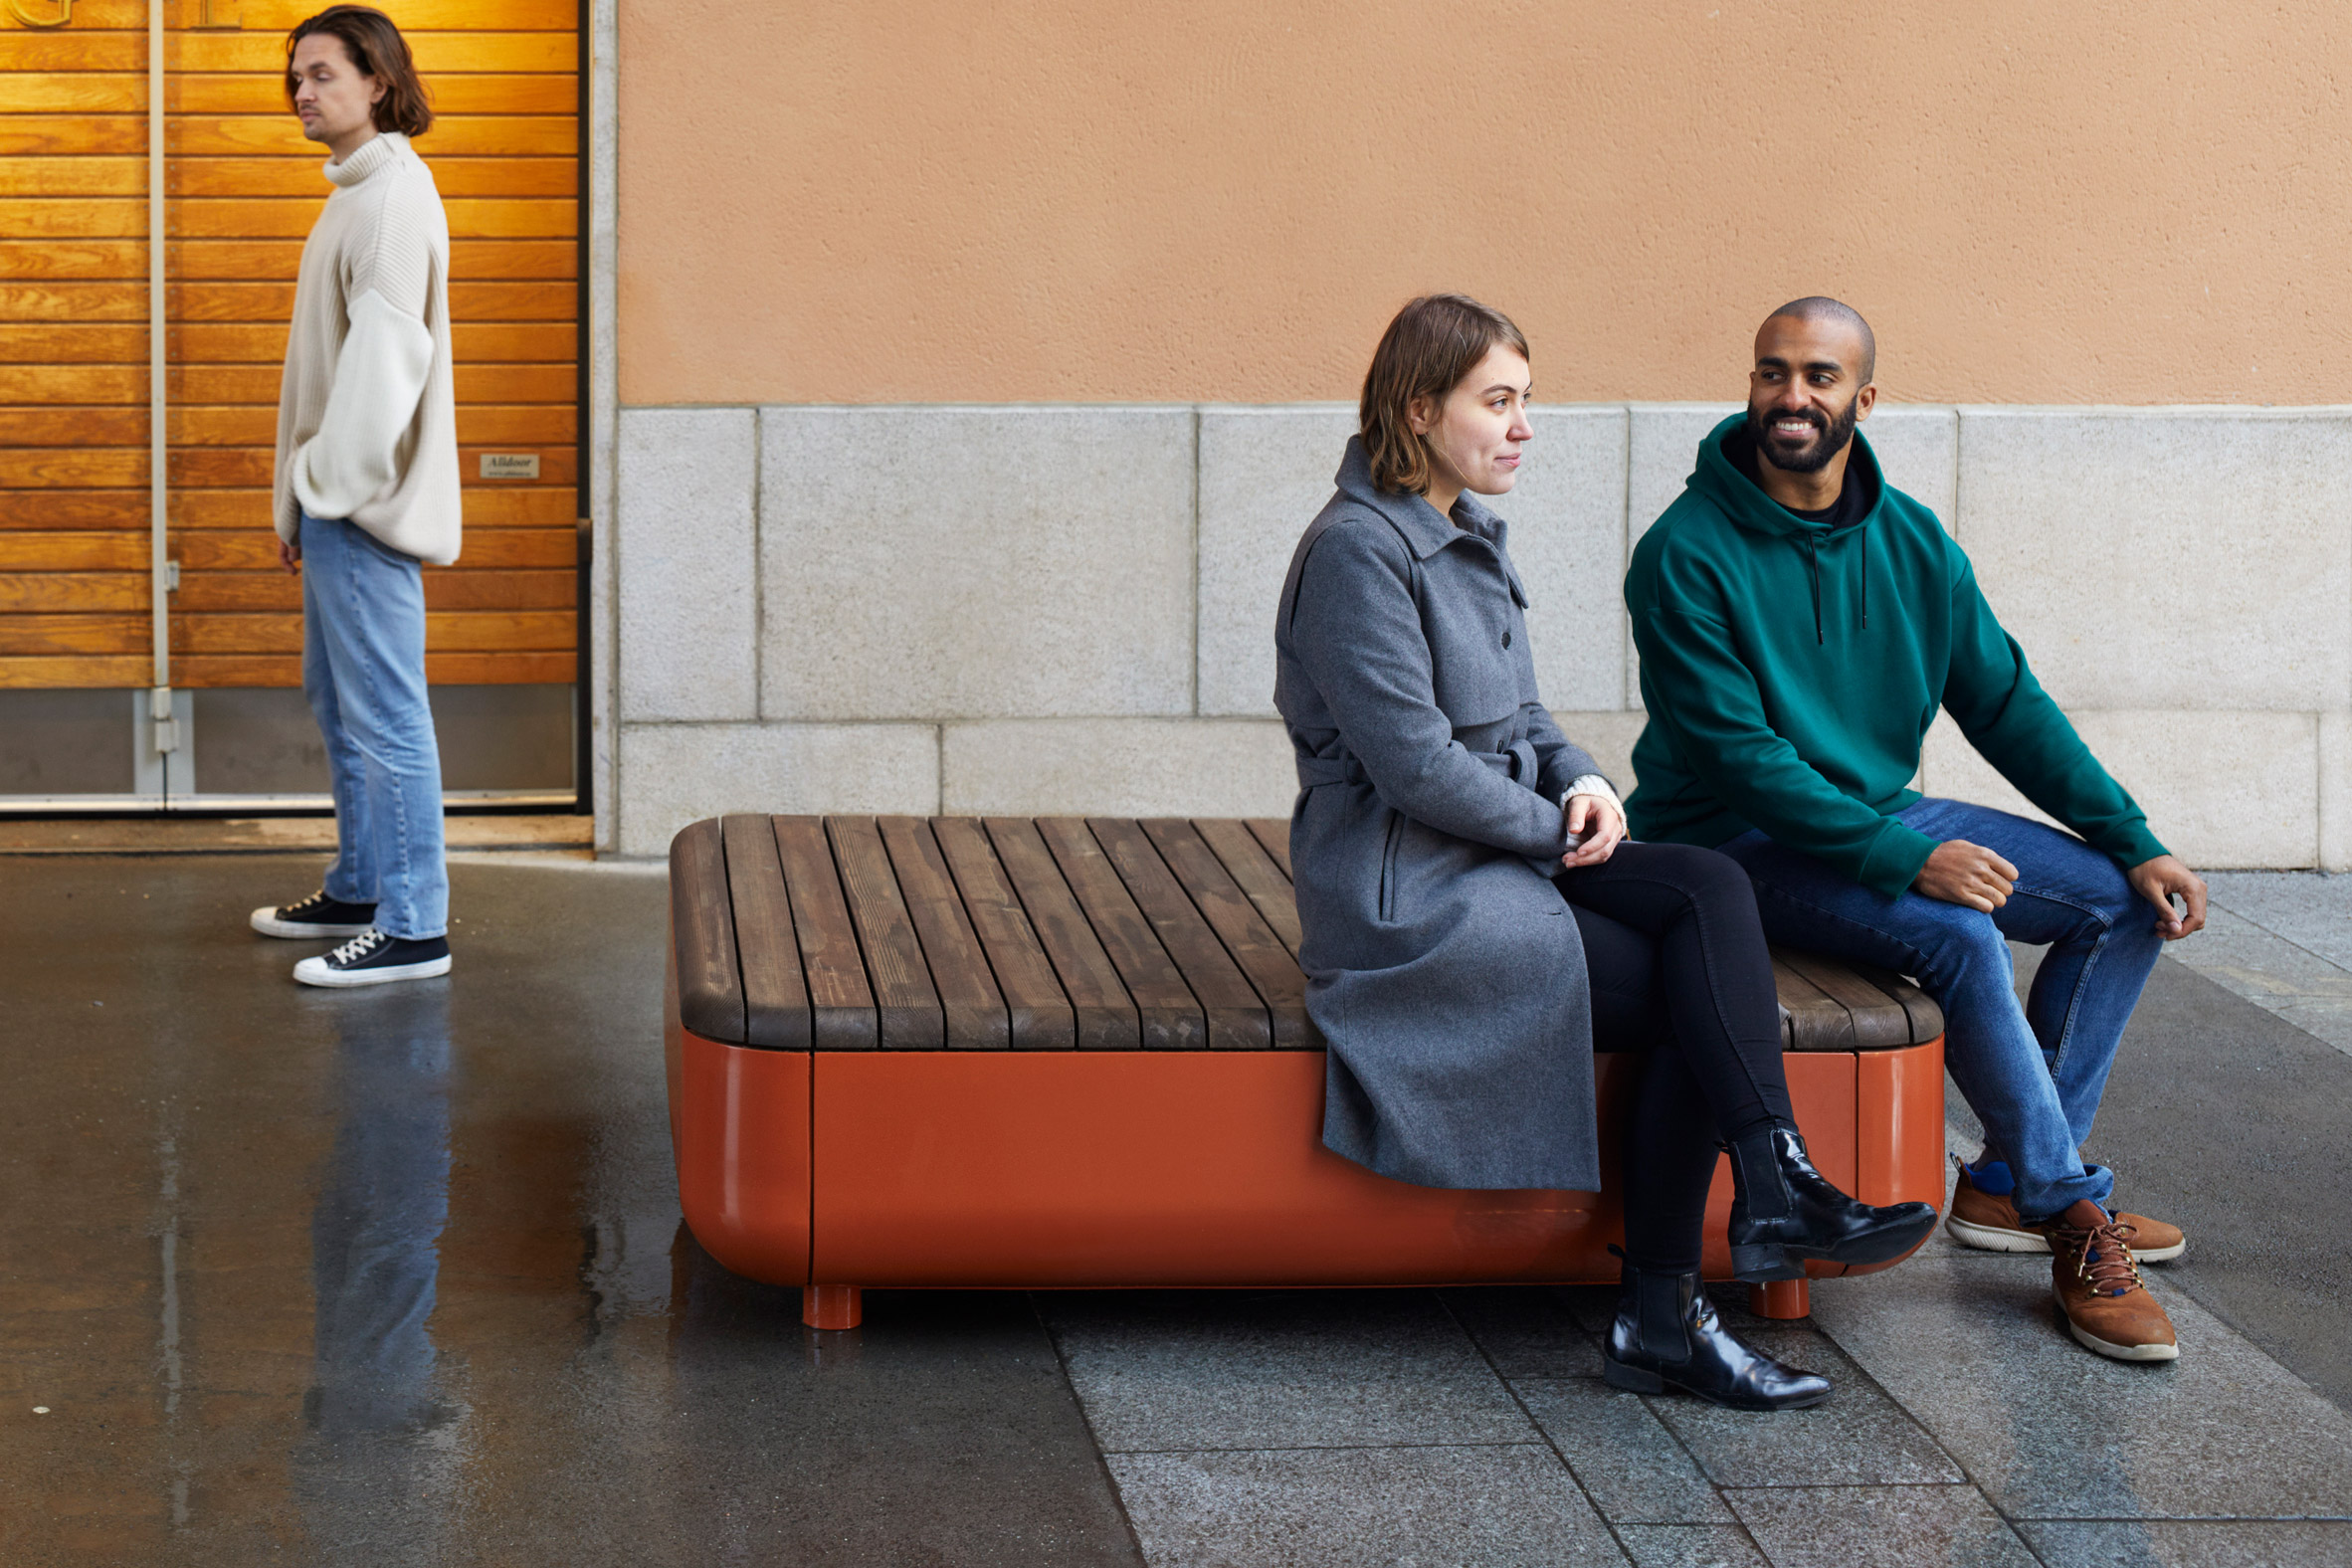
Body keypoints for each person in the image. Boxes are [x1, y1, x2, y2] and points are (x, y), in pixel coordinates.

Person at [1274, 294, 1936, 1412]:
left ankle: (1767, 1189)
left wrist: (1583, 780)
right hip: (1409, 890)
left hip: (1497, 854)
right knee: (1698, 988)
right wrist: (1556, 834)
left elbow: (1524, 714)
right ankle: (1673, 1302)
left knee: (1708, 886)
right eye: (1500, 402)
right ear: (1419, 407)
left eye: (1526, 400)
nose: (1524, 426)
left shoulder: (1465, 527)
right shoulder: (1359, 553)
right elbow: (1416, 769)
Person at [1625, 296, 2209, 1363]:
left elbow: (2004, 702)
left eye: (1818, 376)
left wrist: (2131, 835)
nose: (1791, 396)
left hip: (1874, 815)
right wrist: (1907, 859)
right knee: (1961, 933)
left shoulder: (1912, 541)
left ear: (1864, 398)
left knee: (2121, 905)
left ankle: (2005, 1181)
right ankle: (2069, 1211)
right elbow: (1741, 762)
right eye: (1770, 373)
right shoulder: (1684, 552)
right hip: (1730, 843)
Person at [248, 6, 461, 988]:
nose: (303, 90)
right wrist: (301, 505)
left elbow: (382, 372)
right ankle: (362, 882)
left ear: (377, 81)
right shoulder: (357, 193)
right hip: (334, 508)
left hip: (361, 510)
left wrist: (328, 491)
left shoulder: (389, 200)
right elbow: (328, 374)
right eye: (296, 76)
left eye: (322, 73)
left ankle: (415, 926)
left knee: (385, 712)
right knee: (345, 704)